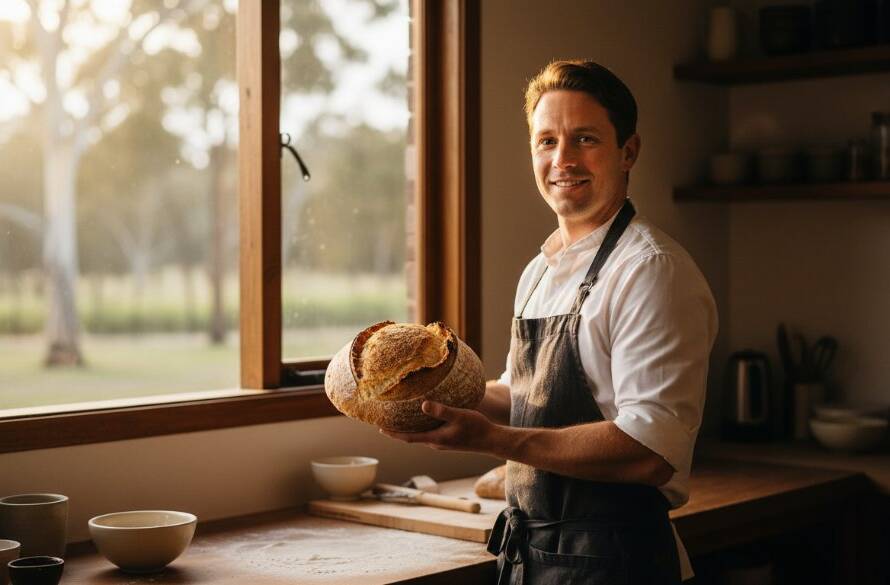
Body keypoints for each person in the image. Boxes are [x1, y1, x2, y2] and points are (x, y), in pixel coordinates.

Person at [383, 59, 718, 584]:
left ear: (628, 151)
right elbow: (524, 394)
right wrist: (435, 396)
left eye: (584, 139)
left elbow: (650, 451)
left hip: (617, 564)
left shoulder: (651, 271)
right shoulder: (540, 270)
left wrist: (492, 440)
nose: (563, 159)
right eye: (546, 141)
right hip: (534, 560)